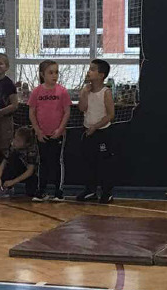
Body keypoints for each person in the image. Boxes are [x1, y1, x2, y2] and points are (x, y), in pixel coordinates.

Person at [28, 60, 70, 202]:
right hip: (42, 134)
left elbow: (67, 112)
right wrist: (38, 131)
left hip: (57, 134)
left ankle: (59, 191)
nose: (54, 75)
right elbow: (32, 112)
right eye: (51, 73)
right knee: (43, 162)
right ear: (42, 74)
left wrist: (60, 129)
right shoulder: (36, 91)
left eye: (56, 72)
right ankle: (41, 191)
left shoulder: (62, 91)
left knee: (57, 162)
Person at [76, 58, 116, 203]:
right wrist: (83, 94)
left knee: (104, 164)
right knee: (89, 162)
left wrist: (95, 126)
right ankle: (90, 190)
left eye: (93, 69)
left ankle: (107, 192)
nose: (89, 72)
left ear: (101, 75)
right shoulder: (86, 90)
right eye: (89, 69)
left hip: (102, 132)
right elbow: (82, 108)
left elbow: (110, 115)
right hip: (88, 131)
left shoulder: (106, 92)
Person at [0, 126, 39, 200]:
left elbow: (30, 171)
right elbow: (4, 162)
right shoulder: (12, 146)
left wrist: (13, 182)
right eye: (15, 138)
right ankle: (6, 189)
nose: (14, 142)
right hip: (17, 168)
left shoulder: (32, 150)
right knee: (12, 159)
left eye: (18, 141)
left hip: (29, 173)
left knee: (31, 192)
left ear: (27, 144)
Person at [0, 52, 19, 172]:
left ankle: (6, 177)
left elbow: (14, 105)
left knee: (5, 149)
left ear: (6, 67)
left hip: (4, 121)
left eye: (0, 63)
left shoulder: (9, 84)